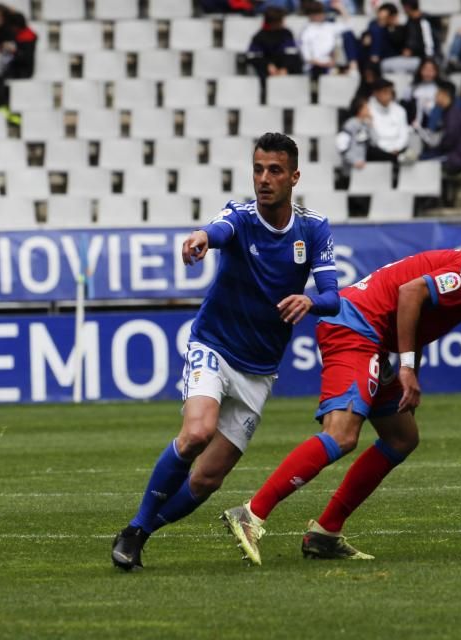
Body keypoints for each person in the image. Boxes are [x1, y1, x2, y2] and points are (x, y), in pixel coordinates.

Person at [221, 240, 461, 564]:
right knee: (342, 435)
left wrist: (410, 372)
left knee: (402, 437)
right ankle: (252, 512)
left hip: (371, 335)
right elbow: (411, 292)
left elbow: (418, 317)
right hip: (355, 329)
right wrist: (405, 367)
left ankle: (324, 533)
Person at [110, 133, 340, 571]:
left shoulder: (313, 228)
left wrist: (310, 300)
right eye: (257, 169)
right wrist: (200, 237)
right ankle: (136, 528)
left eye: (274, 170)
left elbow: (334, 295)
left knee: (208, 478)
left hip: (259, 371)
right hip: (213, 345)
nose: (264, 179)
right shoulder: (241, 214)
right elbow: (218, 230)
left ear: (294, 176)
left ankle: (140, 531)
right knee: (197, 433)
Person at [419, 80, 461, 176]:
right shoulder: (449, 112)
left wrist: (435, 147)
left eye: (437, 94)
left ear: (444, 94)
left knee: (421, 160)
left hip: (454, 158)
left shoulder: (454, 115)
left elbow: (449, 141)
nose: (435, 97)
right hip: (452, 155)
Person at [247, 6, 303, 93]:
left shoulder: (287, 33)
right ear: (273, 22)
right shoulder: (259, 36)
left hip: (286, 69)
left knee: (297, 63)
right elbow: (253, 56)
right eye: (281, 20)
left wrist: (285, 68)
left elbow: (292, 53)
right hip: (267, 72)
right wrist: (268, 65)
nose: (283, 23)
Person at [367, 77, 411, 162]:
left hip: (398, 150)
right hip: (379, 150)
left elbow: (404, 134)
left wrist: (397, 148)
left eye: (390, 92)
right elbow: (373, 138)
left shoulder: (400, 110)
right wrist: (389, 150)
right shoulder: (368, 110)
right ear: (375, 93)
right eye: (385, 92)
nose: (388, 95)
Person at [335, 96, 372, 182]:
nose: (369, 110)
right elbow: (341, 146)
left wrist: (372, 125)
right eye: (366, 107)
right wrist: (354, 161)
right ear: (360, 109)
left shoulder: (366, 125)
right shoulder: (350, 124)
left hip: (361, 168)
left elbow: (375, 142)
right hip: (350, 170)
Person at [400, 0, 441, 64]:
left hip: (430, 56)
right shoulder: (409, 22)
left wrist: (410, 49)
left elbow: (429, 43)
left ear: (407, 7)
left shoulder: (426, 20)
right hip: (417, 56)